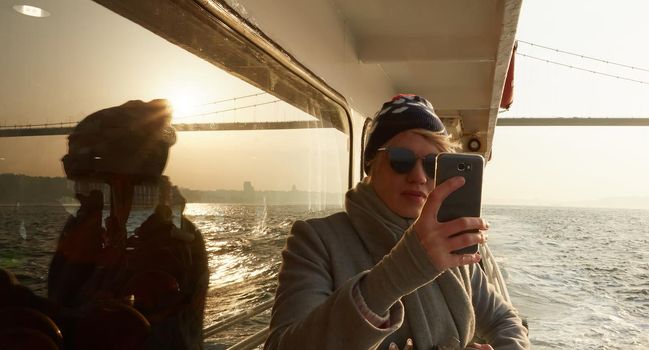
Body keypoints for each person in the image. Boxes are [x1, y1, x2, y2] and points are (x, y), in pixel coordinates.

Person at [264, 94, 530, 350]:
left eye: (431, 164)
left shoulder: (452, 245)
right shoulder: (315, 241)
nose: (418, 176)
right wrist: (406, 266)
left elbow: (504, 320)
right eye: (400, 161)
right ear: (372, 166)